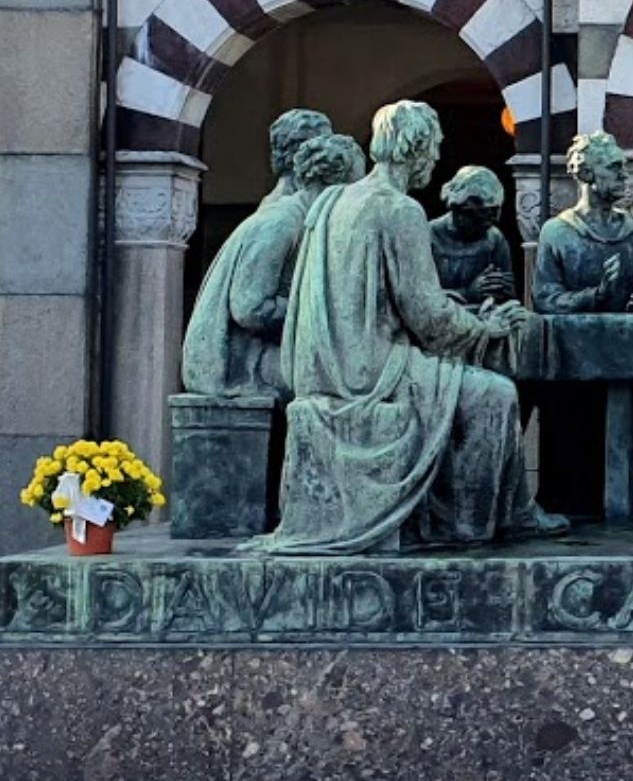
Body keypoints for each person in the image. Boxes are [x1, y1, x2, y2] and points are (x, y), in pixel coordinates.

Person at [255, 100, 566, 554]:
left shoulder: (333, 200)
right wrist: (485, 327)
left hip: (329, 366)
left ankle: (507, 513)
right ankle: (469, 526)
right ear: (416, 147)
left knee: (475, 386)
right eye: (434, 147)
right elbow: (428, 316)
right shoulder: (399, 210)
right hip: (372, 373)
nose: (436, 158)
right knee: (495, 394)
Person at [533, 131, 633, 515]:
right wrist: (595, 295)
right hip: (576, 362)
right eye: (614, 168)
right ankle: (572, 505)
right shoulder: (557, 233)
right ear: (587, 174)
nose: (624, 175)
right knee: (570, 418)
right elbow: (545, 300)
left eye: (624, 167)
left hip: (628, 356)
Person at [182, 129, 365, 398]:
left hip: (259, 353)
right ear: (329, 184)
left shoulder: (305, 221)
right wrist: (311, 310)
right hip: (236, 366)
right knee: (349, 381)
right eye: (351, 189)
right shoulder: (281, 223)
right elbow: (249, 307)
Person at [428, 165, 515, 307]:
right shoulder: (430, 236)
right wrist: (468, 293)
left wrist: (501, 287)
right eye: (485, 212)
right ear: (460, 210)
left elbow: (509, 296)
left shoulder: (494, 238)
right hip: (443, 315)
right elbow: (420, 298)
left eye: (496, 211)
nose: (494, 220)